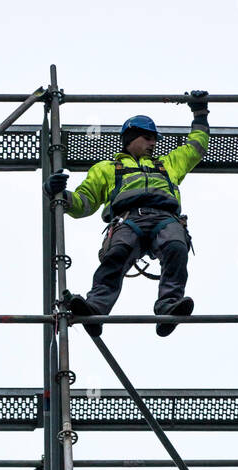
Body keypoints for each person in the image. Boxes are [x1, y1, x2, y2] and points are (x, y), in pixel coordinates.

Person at [42, 92, 210, 337]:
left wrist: (200, 113)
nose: (153, 143)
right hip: (127, 220)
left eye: (155, 139)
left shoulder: (168, 164)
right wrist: (59, 194)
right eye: (147, 138)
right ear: (131, 138)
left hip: (165, 218)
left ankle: (169, 308)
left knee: (176, 246)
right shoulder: (107, 169)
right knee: (116, 254)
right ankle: (95, 309)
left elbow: (196, 147)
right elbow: (84, 202)